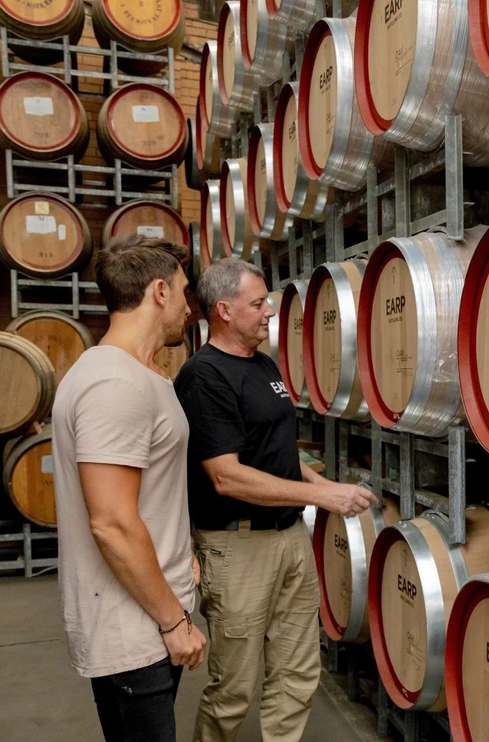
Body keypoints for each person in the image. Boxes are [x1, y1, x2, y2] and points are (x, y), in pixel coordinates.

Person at [175, 258, 377, 742]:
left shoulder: (263, 365)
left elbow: (278, 456)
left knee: (297, 671)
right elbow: (228, 477)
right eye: (259, 302)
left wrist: (323, 490)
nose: (270, 312)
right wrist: (320, 495)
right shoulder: (204, 377)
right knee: (234, 688)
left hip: (289, 539)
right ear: (223, 310)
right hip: (238, 548)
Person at [51, 235, 207, 742]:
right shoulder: (114, 384)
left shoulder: (141, 375)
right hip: (135, 628)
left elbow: (147, 495)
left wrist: (179, 551)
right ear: (160, 291)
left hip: (147, 613)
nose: (190, 306)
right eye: (185, 291)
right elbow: (113, 523)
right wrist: (172, 623)